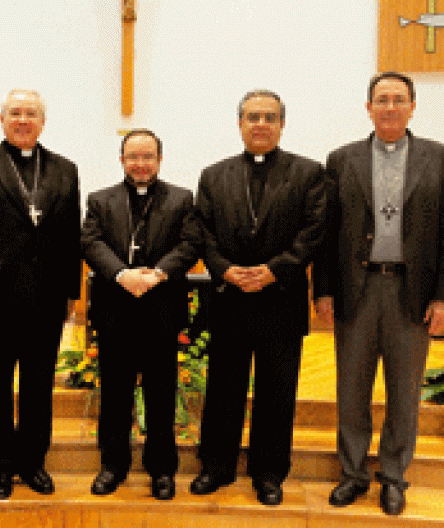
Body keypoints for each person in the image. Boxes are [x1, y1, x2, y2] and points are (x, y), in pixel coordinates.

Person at [313, 72, 444, 516]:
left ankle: (393, 476)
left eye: (398, 99)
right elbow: (327, 232)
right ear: (367, 107)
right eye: (381, 99)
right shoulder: (341, 159)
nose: (389, 106)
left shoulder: (439, 157)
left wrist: (442, 297)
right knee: (351, 388)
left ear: (412, 106)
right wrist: (324, 290)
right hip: (357, 287)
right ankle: (352, 474)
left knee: (404, 392)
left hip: (413, 290)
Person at [192, 90, 326, 506]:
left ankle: (269, 474)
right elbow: (203, 231)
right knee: (223, 388)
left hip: (280, 298)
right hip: (230, 298)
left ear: (282, 125)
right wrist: (225, 269)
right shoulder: (214, 175)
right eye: (253, 117)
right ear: (241, 124)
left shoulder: (308, 173)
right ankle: (217, 466)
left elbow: (314, 232)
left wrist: (273, 270)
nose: (261, 124)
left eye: (270, 117)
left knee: (277, 391)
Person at [0, 89, 81, 499]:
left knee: (40, 385)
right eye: (15, 113)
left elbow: (69, 236)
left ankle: (33, 462)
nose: (23, 120)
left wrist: (71, 294)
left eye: (31, 114)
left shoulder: (64, 168)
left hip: (46, 298)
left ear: (43, 121)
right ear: (2, 119)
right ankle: (0, 466)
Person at [80, 129, 202, 500]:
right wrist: (122, 274)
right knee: (115, 395)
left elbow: (190, 242)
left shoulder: (181, 199)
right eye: (133, 156)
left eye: (148, 156)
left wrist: (158, 274)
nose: (141, 163)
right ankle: (112, 465)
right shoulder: (101, 200)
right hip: (115, 312)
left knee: (161, 394)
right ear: (122, 160)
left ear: (159, 159)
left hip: (160, 312)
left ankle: (162, 469)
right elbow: (89, 242)